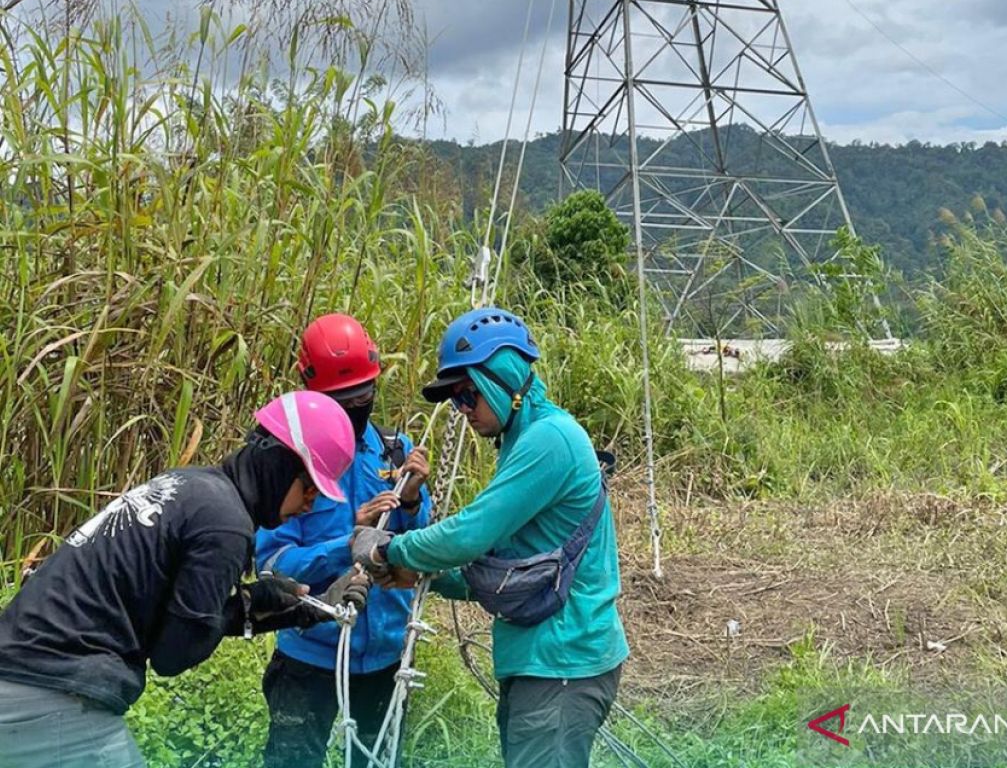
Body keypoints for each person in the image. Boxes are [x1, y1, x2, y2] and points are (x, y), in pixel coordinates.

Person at [0, 390, 369, 768]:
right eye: (309, 487)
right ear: (278, 463)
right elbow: (173, 654)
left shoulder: (190, 487)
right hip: (53, 690)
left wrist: (294, 610)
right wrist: (255, 605)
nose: (311, 503)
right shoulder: (227, 525)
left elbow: (173, 618)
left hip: (19, 672)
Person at [352, 307, 628, 768]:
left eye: (468, 395)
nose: (463, 411)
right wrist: (422, 575)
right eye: (456, 402)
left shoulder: (550, 440)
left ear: (505, 377)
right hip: (546, 662)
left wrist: (386, 548)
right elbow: (507, 563)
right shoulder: (523, 442)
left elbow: (470, 534)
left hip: (562, 662)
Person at [256, 313, 433, 767]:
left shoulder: (394, 451)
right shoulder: (290, 462)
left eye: (364, 395)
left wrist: (411, 504)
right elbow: (272, 566)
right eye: (342, 399)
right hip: (309, 655)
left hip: (384, 656)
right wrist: (345, 542)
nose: (356, 407)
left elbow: (420, 550)